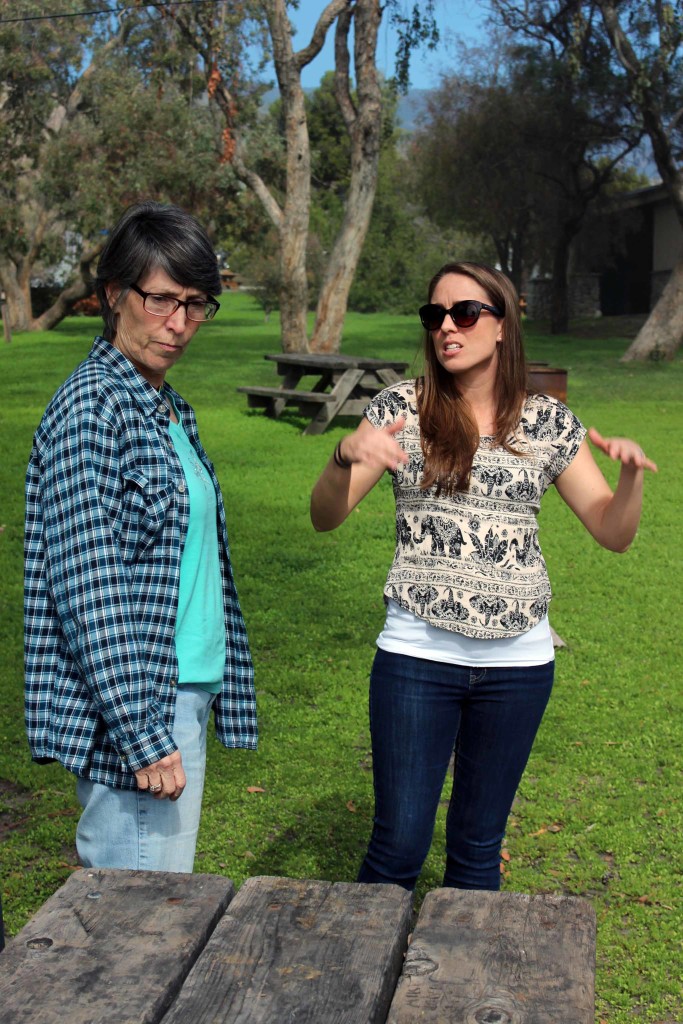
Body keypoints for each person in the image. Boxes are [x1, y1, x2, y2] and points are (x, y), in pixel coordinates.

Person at [311, 261, 656, 892]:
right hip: (417, 653)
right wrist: (341, 458)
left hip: (519, 665)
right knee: (398, 844)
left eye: (465, 313)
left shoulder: (548, 421)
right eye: (434, 314)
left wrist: (630, 478)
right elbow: (325, 517)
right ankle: (353, 983)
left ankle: (464, 993)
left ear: (502, 324)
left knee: (476, 849)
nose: (447, 326)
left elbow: (612, 531)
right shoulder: (399, 408)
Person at [25, 201, 257, 872]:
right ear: (113, 296)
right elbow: (86, 589)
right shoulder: (92, 408)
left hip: (181, 688)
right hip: (143, 701)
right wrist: (141, 734)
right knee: (132, 930)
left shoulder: (162, 405)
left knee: (155, 912)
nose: (179, 324)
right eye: (160, 300)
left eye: (195, 304)